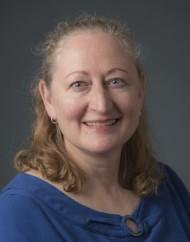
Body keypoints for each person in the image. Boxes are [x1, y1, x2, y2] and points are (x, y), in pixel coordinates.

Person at [0, 14, 189, 242]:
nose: (102, 105)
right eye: (79, 84)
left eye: (116, 81)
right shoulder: (19, 213)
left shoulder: (167, 185)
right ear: (48, 99)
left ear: (140, 91)